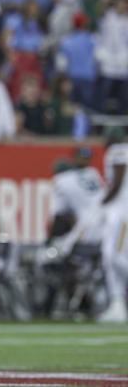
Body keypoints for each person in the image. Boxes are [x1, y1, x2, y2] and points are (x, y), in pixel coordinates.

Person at [98, 129, 128, 323]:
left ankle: (118, 302)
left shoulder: (118, 150)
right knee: (108, 256)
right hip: (118, 211)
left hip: (122, 212)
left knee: (115, 256)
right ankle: (117, 303)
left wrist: (102, 202)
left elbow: (117, 181)